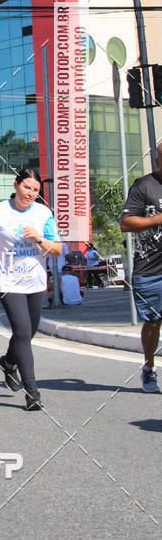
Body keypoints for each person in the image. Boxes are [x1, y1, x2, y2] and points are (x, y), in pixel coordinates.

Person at [0, 169, 62, 411]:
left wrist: (39, 239)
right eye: (27, 187)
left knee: (28, 333)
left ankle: (8, 362)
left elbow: (57, 249)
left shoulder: (43, 213)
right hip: (8, 280)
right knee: (22, 332)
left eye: (35, 190)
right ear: (16, 185)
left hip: (36, 280)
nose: (30, 193)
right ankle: (32, 392)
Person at [121, 142, 162, 393]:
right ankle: (149, 367)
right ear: (157, 161)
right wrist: (158, 219)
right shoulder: (144, 186)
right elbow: (126, 223)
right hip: (150, 269)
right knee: (153, 322)